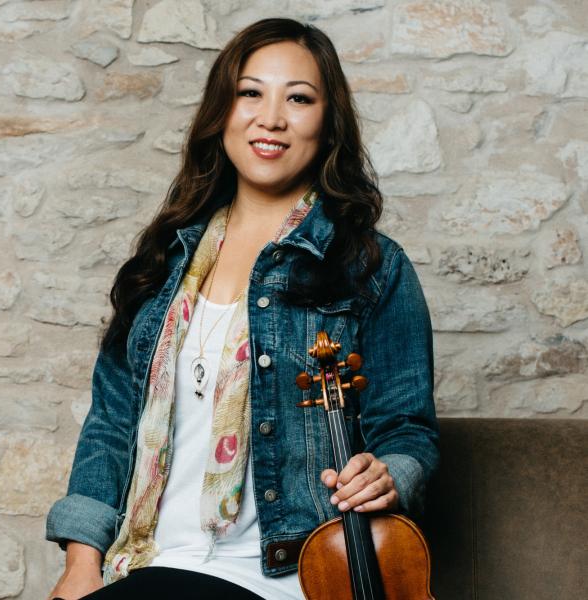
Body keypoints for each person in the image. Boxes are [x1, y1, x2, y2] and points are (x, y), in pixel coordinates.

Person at [45, 17, 439, 600]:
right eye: (250, 93)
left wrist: (388, 475)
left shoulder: (370, 266)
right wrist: (82, 564)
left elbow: (408, 430)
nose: (271, 118)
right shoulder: (162, 263)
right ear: (221, 112)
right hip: (151, 559)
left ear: (328, 124)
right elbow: (111, 424)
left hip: (288, 573)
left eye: (299, 99)